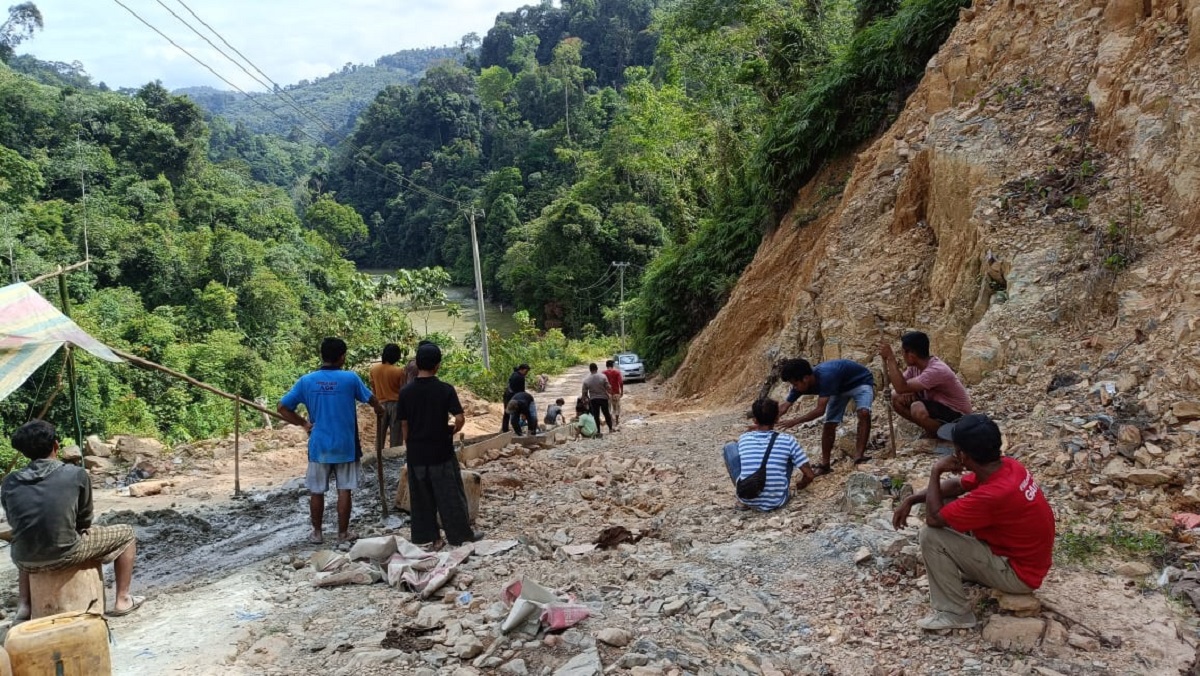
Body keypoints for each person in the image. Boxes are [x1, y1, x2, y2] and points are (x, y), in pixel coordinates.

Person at [892, 414, 1055, 631]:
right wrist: (912, 499)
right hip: (1021, 558)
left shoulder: (994, 494)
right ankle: (966, 569)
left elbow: (933, 519)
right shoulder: (1007, 467)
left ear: (962, 455)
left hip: (1019, 575)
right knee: (945, 499)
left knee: (931, 536)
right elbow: (957, 485)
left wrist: (935, 471)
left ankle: (955, 613)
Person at [2, 420, 143, 618]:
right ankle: (123, 599)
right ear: (56, 446)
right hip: (66, 552)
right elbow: (84, 519)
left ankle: (24, 606)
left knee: (27, 536)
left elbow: (15, 520)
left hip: (24, 559)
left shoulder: (9, 481)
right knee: (127, 534)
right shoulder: (75, 474)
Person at [278, 337, 384, 545]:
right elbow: (371, 399)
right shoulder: (350, 379)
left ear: (322, 355)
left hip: (319, 446)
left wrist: (304, 424)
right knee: (344, 489)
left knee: (316, 490)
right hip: (346, 445)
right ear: (342, 357)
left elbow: (282, 407)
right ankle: (342, 533)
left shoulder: (307, 381)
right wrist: (380, 410)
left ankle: (317, 533)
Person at [397, 342, 480, 548]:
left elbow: (404, 424)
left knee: (421, 499)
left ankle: (429, 538)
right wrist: (453, 429)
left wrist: (410, 444)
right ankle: (460, 536)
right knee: (450, 495)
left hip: (417, 453)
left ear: (417, 364)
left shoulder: (406, 392)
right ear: (438, 365)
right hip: (441, 451)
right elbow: (459, 418)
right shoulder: (445, 389)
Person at [778, 358, 875, 473]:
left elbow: (820, 410)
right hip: (838, 389)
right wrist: (766, 421)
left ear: (806, 378)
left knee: (864, 413)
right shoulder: (801, 385)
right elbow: (785, 406)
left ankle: (859, 455)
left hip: (860, 382)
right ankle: (825, 465)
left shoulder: (827, 376)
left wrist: (795, 421)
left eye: (795, 384)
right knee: (829, 424)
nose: (794, 388)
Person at [722, 399, 815, 511]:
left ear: (755, 420)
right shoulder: (788, 440)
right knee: (788, 455)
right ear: (777, 418)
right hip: (776, 501)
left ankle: (743, 498)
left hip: (747, 497)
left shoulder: (744, 438)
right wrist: (801, 485)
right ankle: (774, 489)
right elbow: (810, 475)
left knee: (730, 447)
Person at [880, 332, 972, 437]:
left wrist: (890, 359)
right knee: (895, 397)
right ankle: (932, 429)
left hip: (959, 416)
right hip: (939, 408)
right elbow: (896, 387)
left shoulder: (936, 370)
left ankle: (948, 435)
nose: (903, 356)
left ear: (911, 355)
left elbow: (901, 387)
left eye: (903, 353)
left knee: (917, 408)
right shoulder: (915, 367)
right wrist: (909, 390)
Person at [369, 343, 407, 448]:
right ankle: (394, 457)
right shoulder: (399, 371)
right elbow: (403, 390)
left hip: (381, 403)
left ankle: (378, 456)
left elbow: (373, 388)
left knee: (380, 434)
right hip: (396, 404)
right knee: (396, 435)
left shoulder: (373, 369)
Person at [581, 363, 614, 435]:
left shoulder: (586, 380)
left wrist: (585, 400)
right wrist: (610, 392)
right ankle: (610, 428)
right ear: (597, 368)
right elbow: (608, 387)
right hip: (603, 398)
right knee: (606, 413)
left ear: (590, 370)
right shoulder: (603, 376)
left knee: (596, 415)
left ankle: (598, 431)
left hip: (593, 399)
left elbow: (584, 393)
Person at [501, 363, 531, 433]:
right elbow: (521, 391)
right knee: (516, 414)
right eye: (526, 371)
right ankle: (518, 431)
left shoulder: (514, 374)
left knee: (506, 413)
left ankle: (505, 429)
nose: (526, 373)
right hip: (513, 397)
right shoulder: (521, 377)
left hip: (507, 394)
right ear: (523, 370)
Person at [602, 359, 625, 427]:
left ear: (606, 366)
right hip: (616, 393)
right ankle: (617, 421)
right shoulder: (617, 372)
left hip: (607, 393)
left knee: (608, 408)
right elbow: (621, 382)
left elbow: (602, 383)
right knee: (616, 407)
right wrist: (622, 392)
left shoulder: (603, 373)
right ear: (612, 365)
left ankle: (611, 421)